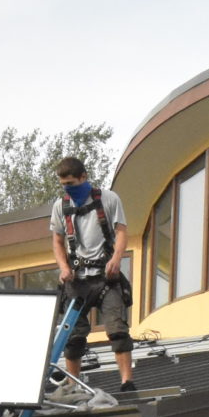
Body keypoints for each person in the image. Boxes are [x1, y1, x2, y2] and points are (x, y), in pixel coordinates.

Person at [49, 156, 136, 392]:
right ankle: (73, 386)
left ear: (84, 177)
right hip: (77, 279)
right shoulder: (61, 206)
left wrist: (116, 258)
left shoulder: (108, 199)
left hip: (106, 277)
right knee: (73, 335)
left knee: (117, 329)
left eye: (71, 183)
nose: (67, 188)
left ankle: (127, 381)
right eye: (63, 184)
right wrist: (64, 267)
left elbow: (121, 231)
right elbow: (57, 241)